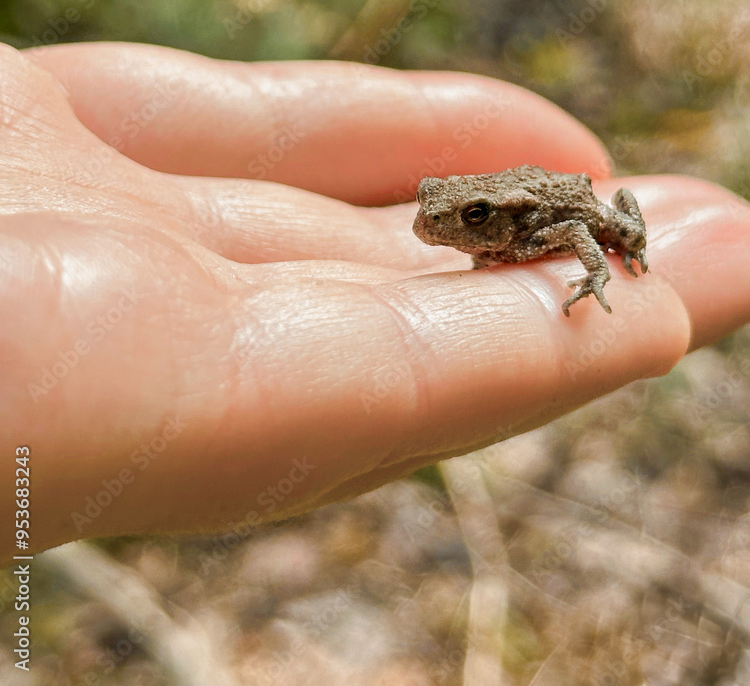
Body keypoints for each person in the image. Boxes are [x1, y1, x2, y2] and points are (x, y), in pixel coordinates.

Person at [2, 41, 749, 561]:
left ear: (497, 222)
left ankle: (635, 235)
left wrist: (600, 272)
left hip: (567, 205)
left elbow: (575, 230)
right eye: (441, 211)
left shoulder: (529, 230)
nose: (439, 227)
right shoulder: (471, 225)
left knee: (619, 222)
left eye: (469, 221)